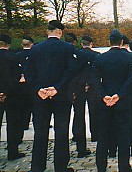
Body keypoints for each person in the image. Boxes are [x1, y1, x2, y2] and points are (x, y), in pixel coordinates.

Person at [25, 20, 77, 172]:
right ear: (60, 32)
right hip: (61, 97)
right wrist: (57, 87)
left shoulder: (35, 49)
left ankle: (37, 167)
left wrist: (38, 89)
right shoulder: (68, 48)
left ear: (47, 31)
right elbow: (71, 71)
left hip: (40, 97)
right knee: (61, 132)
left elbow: (28, 73)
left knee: (40, 133)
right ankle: (61, 167)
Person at [93, 29, 132, 172]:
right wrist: (119, 95)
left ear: (109, 42)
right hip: (122, 102)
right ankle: (124, 166)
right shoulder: (129, 58)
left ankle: (101, 166)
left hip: (105, 102)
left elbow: (94, 79)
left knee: (103, 135)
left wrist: (104, 95)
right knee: (123, 135)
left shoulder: (100, 58)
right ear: (121, 42)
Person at [67, 34, 99, 158]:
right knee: (94, 112)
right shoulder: (96, 55)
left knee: (78, 115)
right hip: (92, 88)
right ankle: (95, 134)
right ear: (91, 44)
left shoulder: (76, 55)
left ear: (81, 44)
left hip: (78, 87)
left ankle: (80, 143)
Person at [0, 33, 25, 161]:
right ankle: (12, 151)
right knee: (13, 124)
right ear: (8, 44)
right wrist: (6, 92)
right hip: (12, 95)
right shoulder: (14, 57)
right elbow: (17, 77)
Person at [16, 36, 34, 131]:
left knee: (22, 105)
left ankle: (23, 123)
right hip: (32, 83)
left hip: (20, 84)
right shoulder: (35, 55)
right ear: (32, 44)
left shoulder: (17, 55)